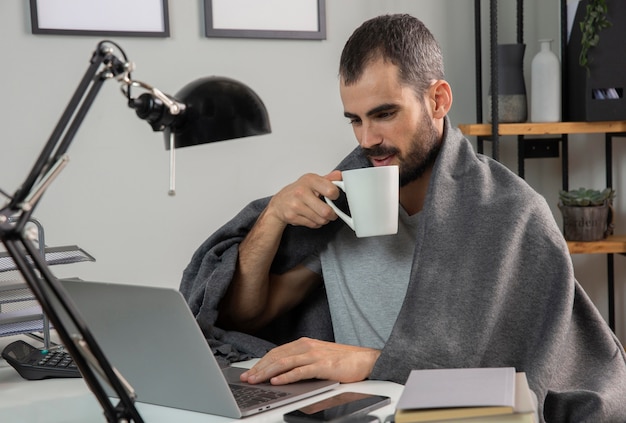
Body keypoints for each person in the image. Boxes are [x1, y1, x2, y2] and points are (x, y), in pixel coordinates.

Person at [180, 14, 626, 422]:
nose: (369, 139)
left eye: (385, 114)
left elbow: (519, 378)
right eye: (354, 120)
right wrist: (274, 216)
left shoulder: (511, 215)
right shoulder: (343, 205)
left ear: (438, 100)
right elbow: (247, 316)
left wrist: (371, 362)